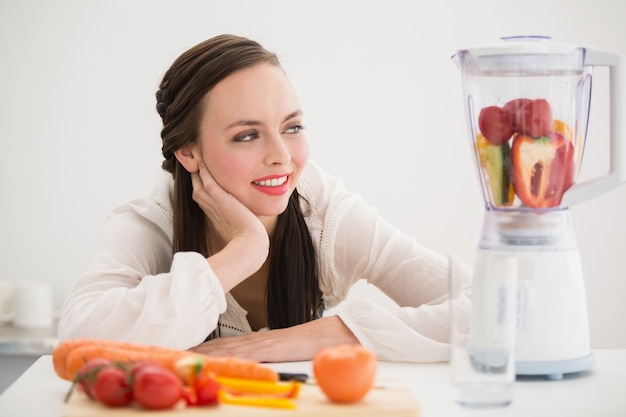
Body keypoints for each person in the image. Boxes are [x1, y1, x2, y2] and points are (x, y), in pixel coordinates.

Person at [58, 34, 454, 363]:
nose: (281, 155)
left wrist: (327, 334)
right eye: (247, 135)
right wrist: (244, 250)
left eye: (292, 127)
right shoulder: (152, 223)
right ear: (188, 151)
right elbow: (81, 340)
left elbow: (493, 310)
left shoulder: (325, 214)